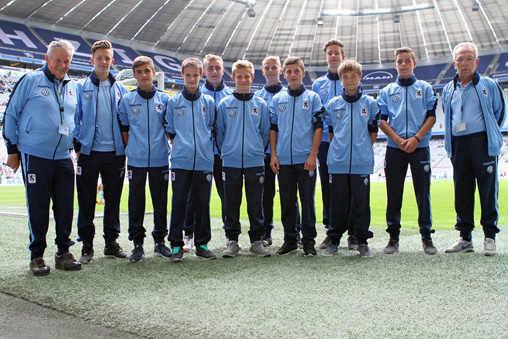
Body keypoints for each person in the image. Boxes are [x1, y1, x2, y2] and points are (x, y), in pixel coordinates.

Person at [3, 40, 82, 275]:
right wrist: (12, 149)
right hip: (35, 154)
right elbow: (11, 114)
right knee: (38, 207)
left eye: (66, 61)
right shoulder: (30, 80)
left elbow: (75, 120)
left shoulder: (73, 86)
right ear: (47, 59)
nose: (62, 65)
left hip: (63, 156)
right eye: (57, 60)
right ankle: (37, 256)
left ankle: (63, 253)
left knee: (65, 207)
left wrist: (75, 145)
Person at [442, 42, 506, 256]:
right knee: (462, 191)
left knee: (487, 191)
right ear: (454, 63)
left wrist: (487, 133)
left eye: (469, 58)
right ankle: (465, 238)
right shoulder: (448, 89)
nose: (464, 63)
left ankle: (489, 237)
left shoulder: (489, 85)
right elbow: (449, 116)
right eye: (460, 59)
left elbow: (498, 114)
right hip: (459, 144)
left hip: (482, 142)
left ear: (477, 62)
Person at [378, 47, 438, 255]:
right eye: (400, 61)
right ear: (395, 65)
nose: (403, 64)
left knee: (423, 193)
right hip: (395, 149)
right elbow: (382, 120)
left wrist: (416, 138)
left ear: (414, 64)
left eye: (407, 61)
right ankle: (393, 237)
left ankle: (426, 236)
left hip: (419, 148)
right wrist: (397, 139)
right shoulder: (386, 91)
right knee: (393, 194)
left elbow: (431, 117)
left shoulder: (425, 88)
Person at [74, 40, 129, 264]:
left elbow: (126, 122)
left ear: (112, 61)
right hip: (88, 153)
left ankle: (111, 243)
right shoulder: (79, 87)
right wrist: (78, 147)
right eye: (99, 58)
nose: (103, 61)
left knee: (113, 201)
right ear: (92, 60)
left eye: (107, 58)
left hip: (115, 153)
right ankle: (87, 245)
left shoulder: (121, 89)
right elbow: (73, 118)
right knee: (86, 200)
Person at [321, 60, 380, 258]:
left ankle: (362, 241)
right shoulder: (333, 104)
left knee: (361, 203)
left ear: (360, 77)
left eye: (353, 75)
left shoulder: (370, 103)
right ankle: (334, 240)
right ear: (341, 79)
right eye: (345, 76)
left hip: (361, 161)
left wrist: (361, 149)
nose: (349, 79)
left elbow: (373, 131)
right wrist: (340, 149)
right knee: (337, 203)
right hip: (337, 162)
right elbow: (331, 133)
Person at [117, 56, 172, 262]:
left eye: (147, 71)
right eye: (139, 72)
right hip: (136, 160)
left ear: (153, 73)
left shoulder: (165, 99)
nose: (143, 75)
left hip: (159, 158)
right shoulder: (127, 100)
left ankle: (160, 242)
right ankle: (137, 244)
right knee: (136, 202)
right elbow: (124, 128)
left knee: (160, 201)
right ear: (134, 75)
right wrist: (132, 147)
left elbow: (169, 129)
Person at [216, 59, 271, 258]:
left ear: (252, 77)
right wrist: (229, 151)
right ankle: (232, 240)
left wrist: (255, 150)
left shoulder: (261, 104)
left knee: (255, 203)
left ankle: (256, 241)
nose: (243, 79)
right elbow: (220, 133)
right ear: (233, 78)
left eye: (247, 76)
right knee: (231, 202)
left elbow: (265, 133)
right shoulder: (225, 104)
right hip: (230, 161)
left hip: (255, 160)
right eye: (239, 76)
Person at [269, 56, 324, 257]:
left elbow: (319, 127)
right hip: (283, 159)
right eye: (289, 71)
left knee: (307, 201)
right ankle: (290, 240)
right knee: (287, 201)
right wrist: (274, 154)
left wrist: (313, 154)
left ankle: (308, 241)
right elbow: (273, 128)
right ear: (284, 74)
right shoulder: (277, 100)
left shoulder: (313, 98)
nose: (292, 75)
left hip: (306, 160)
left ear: (302, 73)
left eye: (296, 71)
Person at [165, 58, 217, 262]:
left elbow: (211, 127)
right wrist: (183, 146)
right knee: (178, 203)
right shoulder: (174, 101)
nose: (192, 78)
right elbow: (170, 129)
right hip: (180, 161)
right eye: (188, 75)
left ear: (201, 75)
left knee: (202, 204)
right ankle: (176, 245)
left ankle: (202, 244)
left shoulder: (209, 102)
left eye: (196, 74)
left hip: (204, 161)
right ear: (182, 76)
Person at [182, 54, 234, 252]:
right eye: (210, 68)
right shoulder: (194, 93)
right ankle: (188, 235)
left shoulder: (230, 95)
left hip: (223, 156)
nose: (214, 71)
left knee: (227, 196)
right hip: (200, 156)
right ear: (204, 71)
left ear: (222, 70)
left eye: (217, 68)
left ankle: (230, 236)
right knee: (192, 198)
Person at [312, 39, 358, 250]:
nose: (333, 56)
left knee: (350, 188)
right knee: (329, 189)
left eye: (336, 53)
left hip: (347, 144)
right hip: (324, 143)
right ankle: (331, 232)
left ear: (343, 56)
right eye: (330, 53)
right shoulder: (317, 85)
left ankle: (354, 233)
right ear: (326, 57)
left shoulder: (351, 81)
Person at [255, 56, 290, 246]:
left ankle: (293, 233)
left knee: (289, 195)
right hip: (264, 153)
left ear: (280, 71)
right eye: (267, 67)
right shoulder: (257, 97)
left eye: (274, 67)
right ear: (262, 71)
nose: (270, 70)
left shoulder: (288, 94)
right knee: (265, 195)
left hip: (284, 152)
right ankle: (265, 232)